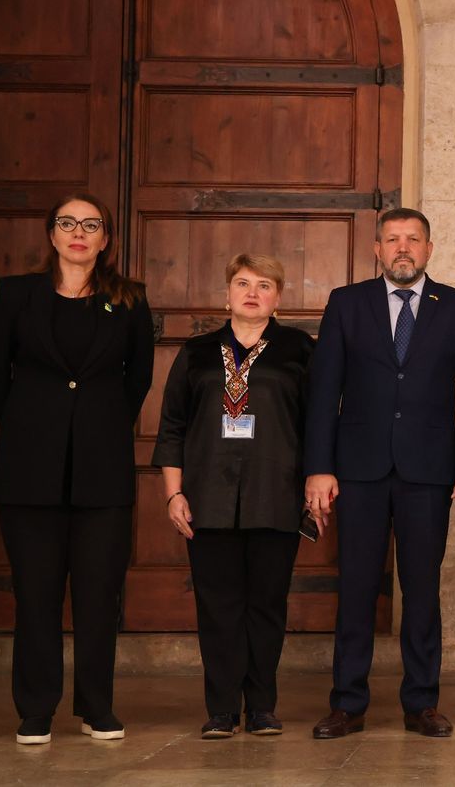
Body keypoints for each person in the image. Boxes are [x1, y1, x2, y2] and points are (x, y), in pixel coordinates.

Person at [304, 208, 455, 739]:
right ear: (377, 249)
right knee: (357, 588)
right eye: (392, 240)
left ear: (430, 249)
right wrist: (319, 467)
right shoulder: (347, 304)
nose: (402, 248)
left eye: (413, 239)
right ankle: (347, 703)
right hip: (358, 470)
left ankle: (421, 703)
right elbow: (324, 393)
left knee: (422, 590)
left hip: (429, 471)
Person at [0, 193, 154, 745]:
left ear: (105, 240)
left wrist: (94, 426)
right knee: (35, 594)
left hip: (102, 472)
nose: (79, 232)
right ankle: (35, 709)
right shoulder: (15, 295)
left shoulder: (129, 300)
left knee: (99, 595)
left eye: (91, 225)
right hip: (29, 470)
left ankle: (97, 707)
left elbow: (137, 382)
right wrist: (37, 424)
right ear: (52, 234)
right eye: (67, 223)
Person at [153, 254, 314, 739]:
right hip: (209, 497)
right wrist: (173, 494)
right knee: (218, 605)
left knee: (266, 605)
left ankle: (262, 707)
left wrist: (315, 487)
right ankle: (222, 708)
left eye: (264, 285)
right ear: (226, 293)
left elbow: (318, 426)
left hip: (276, 494)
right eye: (242, 283)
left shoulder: (300, 350)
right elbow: (172, 427)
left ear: (277, 297)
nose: (252, 292)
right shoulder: (197, 352)